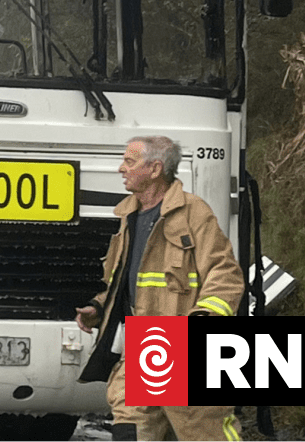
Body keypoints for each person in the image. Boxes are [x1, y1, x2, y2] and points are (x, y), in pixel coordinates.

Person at [75, 136, 245, 442]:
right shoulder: (129, 216)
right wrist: (99, 307)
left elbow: (225, 273)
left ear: (155, 169)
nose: (120, 169)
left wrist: (206, 317)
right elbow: (127, 281)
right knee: (131, 428)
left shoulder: (194, 213)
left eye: (129, 161)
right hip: (140, 347)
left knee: (203, 431)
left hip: (183, 346)